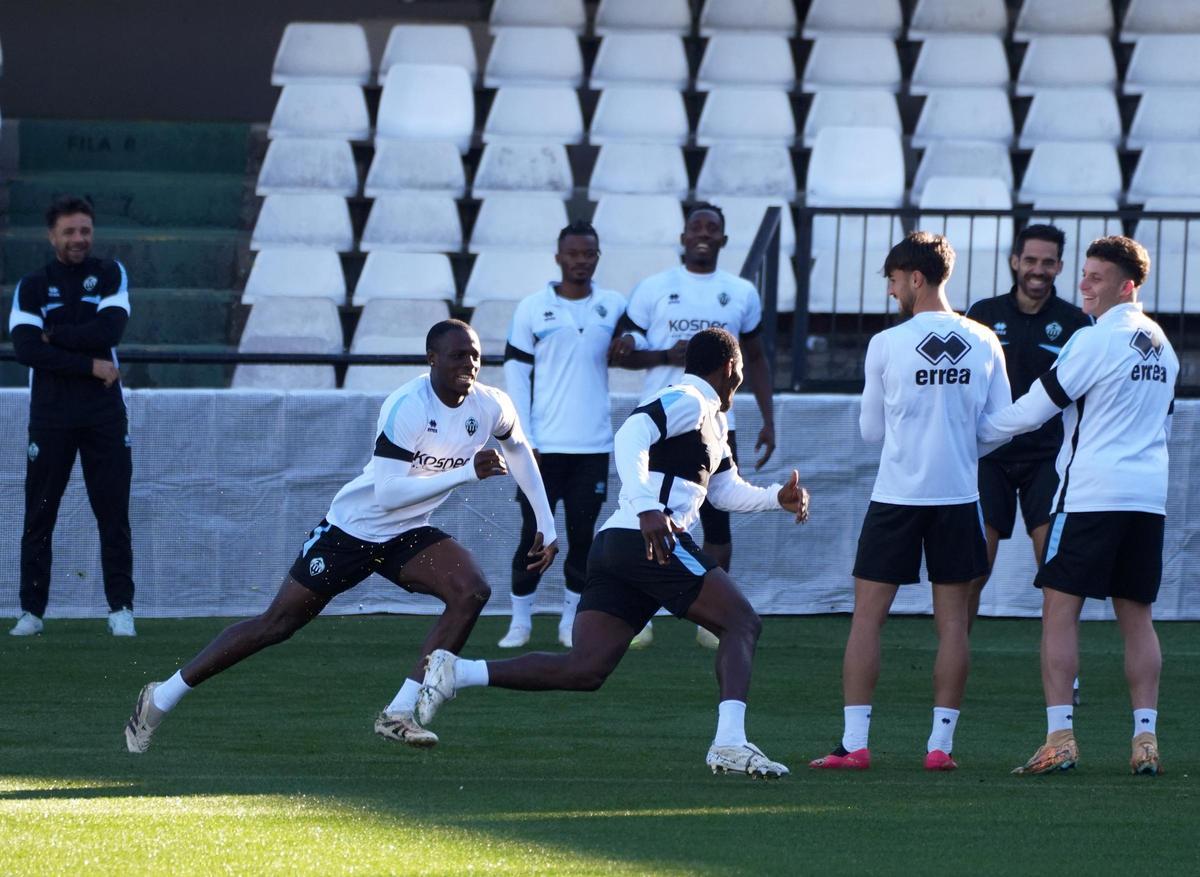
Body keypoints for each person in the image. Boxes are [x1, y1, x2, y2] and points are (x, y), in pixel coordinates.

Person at [124, 320, 558, 753]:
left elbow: (518, 449)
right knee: (275, 626)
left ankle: (398, 713)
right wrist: (465, 473)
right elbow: (388, 494)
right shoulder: (407, 405)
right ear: (431, 358)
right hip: (352, 531)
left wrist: (546, 521)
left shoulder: (491, 404)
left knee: (471, 590)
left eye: (475, 355)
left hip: (407, 533)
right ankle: (161, 697)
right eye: (458, 355)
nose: (470, 363)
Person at [413, 328, 809, 778]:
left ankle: (457, 673)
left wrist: (775, 497)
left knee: (585, 669)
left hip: (619, 545)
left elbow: (722, 491)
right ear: (731, 368)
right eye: (739, 373)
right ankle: (730, 744)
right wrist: (646, 507)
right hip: (648, 540)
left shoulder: (713, 419)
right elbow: (631, 433)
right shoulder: (689, 399)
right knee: (742, 622)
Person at [810, 232, 1010, 773]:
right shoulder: (985, 338)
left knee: (866, 620)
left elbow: (871, 432)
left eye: (895, 281)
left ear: (916, 278)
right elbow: (1000, 426)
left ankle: (855, 745)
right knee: (953, 625)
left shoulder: (886, 343)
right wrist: (960, 444)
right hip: (959, 496)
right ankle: (940, 747)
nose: (892, 291)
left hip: (897, 496)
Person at [978, 237, 1177, 777]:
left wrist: (968, 436)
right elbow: (1165, 425)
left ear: (1126, 285)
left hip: (1091, 495)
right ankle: (1145, 740)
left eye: (1096, 277)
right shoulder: (1162, 344)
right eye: (1084, 274)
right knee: (1137, 617)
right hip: (1147, 498)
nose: (1084, 284)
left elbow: (1031, 412)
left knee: (1059, 611)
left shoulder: (1093, 339)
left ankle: (1060, 738)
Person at [609, 203, 776, 649]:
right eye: (695, 226)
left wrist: (768, 418)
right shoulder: (653, 288)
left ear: (723, 238)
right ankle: (638, 612)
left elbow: (756, 358)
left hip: (717, 422)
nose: (703, 233)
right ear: (683, 237)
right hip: (662, 419)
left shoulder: (740, 292)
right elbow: (622, 353)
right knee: (646, 508)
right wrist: (667, 355)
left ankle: (711, 619)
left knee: (718, 519)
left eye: (712, 227)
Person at [966, 224, 1092, 704]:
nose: (1039, 270)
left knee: (1056, 575)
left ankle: (1067, 679)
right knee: (974, 568)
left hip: (1049, 461)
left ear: (1060, 266)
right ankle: (955, 661)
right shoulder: (982, 315)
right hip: (990, 458)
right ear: (1015, 261)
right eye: (1031, 260)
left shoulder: (1077, 323)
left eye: (1048, 262)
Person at [8, 197, 134, 637]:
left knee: (113, 514)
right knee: (39, 515)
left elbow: (109, 330)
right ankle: (32, 611)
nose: (79, 239)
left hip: (103, 415)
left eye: (85, 230)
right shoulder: (32, 285)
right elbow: (26, 349)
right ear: (52, 236)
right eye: (69, 232)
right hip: (51, 416)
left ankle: (121, 609)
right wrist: (90, 365)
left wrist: (55, 334)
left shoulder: (111, 273)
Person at [498, 221, 627, 650]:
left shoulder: (614, 305)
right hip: (542, 446)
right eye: (573, 254)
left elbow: (637, 337)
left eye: (588, 254)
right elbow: (517, 375)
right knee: (534, 532)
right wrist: (523, 438)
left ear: (597, 257)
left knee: (583, 536)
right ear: (558, 257)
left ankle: (570, 620)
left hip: (593, 446)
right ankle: (520, 620)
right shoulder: (532, 308)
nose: (580, 261)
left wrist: (631, 339)